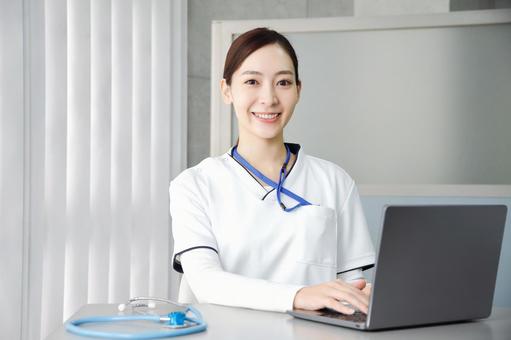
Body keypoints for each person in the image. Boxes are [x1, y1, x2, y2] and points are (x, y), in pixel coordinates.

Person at [169, 27, 375, 315]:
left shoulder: (335, 182)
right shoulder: (194, 185)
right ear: (226, 90)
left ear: (298, 90)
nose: (269, 98)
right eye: (252, 81)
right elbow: (205, 282)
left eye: (283, 83)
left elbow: (352, 290)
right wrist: (299, 296)